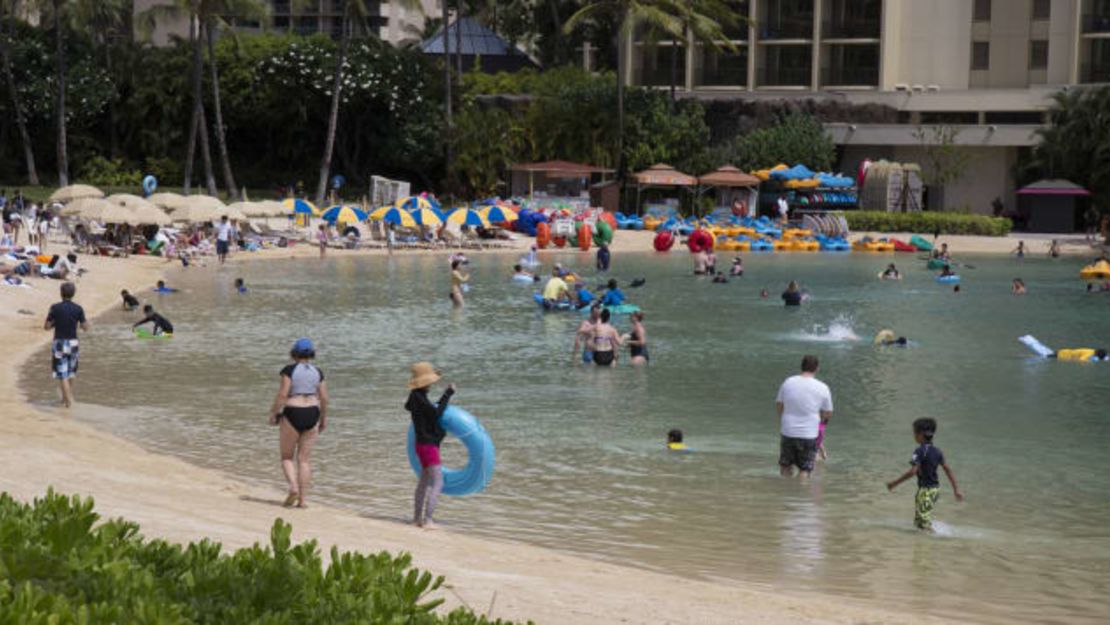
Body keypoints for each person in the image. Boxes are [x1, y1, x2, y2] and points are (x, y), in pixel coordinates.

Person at [268, 338, 328, 509]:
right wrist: (323, 418)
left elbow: (283, 394)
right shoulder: (318, 371)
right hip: (312, 413)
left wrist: (274, 413)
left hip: (293, 411)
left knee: (287, 456)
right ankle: (303, 500)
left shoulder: (289, 370)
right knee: (304, 460)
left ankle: (293, 487)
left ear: (294, 353)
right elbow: (324, 397)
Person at [886, 418, 963, 532]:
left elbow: (912, 472)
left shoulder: (919, 451)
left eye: (914, 433)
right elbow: (948, 470)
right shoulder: (937, 451)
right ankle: (921, 546)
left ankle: (934, 544)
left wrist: (894, 483)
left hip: (926, 491)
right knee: (918, 522)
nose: (914, 436)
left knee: (923, 523)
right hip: (934, 490)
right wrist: (956, 490)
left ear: (920, 434)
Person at [406, 362, 455, 529]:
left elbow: (425, 411)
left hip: (421, 445)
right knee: (438, 481)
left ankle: (416, 519)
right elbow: (436, 413)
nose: (432, 383)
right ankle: (428, 520)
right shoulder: (419, 397)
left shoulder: (415, 397)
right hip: (428, 446)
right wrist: (448, 394)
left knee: (424, 481)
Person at [775, 355, 832, 479]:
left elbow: (779, 405)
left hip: (788, 431)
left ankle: (784, 492)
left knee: (785, 466)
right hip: (809, 434)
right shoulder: (823, 387)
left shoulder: (788, 382)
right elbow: (828, 412)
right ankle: (801, 495)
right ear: (817, 369)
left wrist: (784, 420)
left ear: (801, 366)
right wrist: (821, 426)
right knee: (805, 469)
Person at [44, 282, 88, 408]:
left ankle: (68, 402)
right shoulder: (78, 308)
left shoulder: (55, 308)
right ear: (73, 294)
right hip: (73, 342)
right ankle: (65, 399)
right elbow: (85, 327)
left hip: (60, 343)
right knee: (71, 372)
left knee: (62, 374)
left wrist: (55, 324)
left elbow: (47, 326)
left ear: (61, 293)